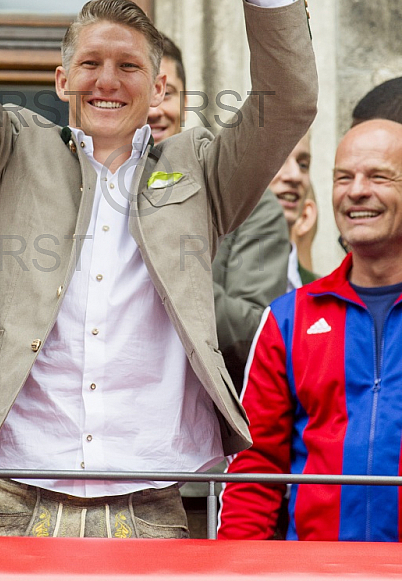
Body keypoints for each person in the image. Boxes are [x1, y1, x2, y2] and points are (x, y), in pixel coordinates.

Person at [0, 0, 317, 539]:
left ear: (159, 86)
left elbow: (290, 104)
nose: (109, 80)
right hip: (10, 496)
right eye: (92, 63)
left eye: (129, 66)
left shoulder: (201, 172)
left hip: (153, 506)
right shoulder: (11, 154)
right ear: (62, 75)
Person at [219, 118, 402, 541]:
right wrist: (238, 572)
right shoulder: (288, 319)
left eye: (378, 176)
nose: (356, 190)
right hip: (316, 569)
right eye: (343, 177)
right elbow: (255, 472)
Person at [148, 35, 289, 537]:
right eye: (138, 87)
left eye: (164, 90)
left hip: (192, 481)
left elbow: (258, 333)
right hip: (73, 471)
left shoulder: (247, 201)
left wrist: (159, 261)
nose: (153, 106)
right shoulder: (78, 196)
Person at [268, 134, 317, 287]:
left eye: (303, 164)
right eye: (277, 159)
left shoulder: (325, 297)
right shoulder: (203, 282)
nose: (295, 176)